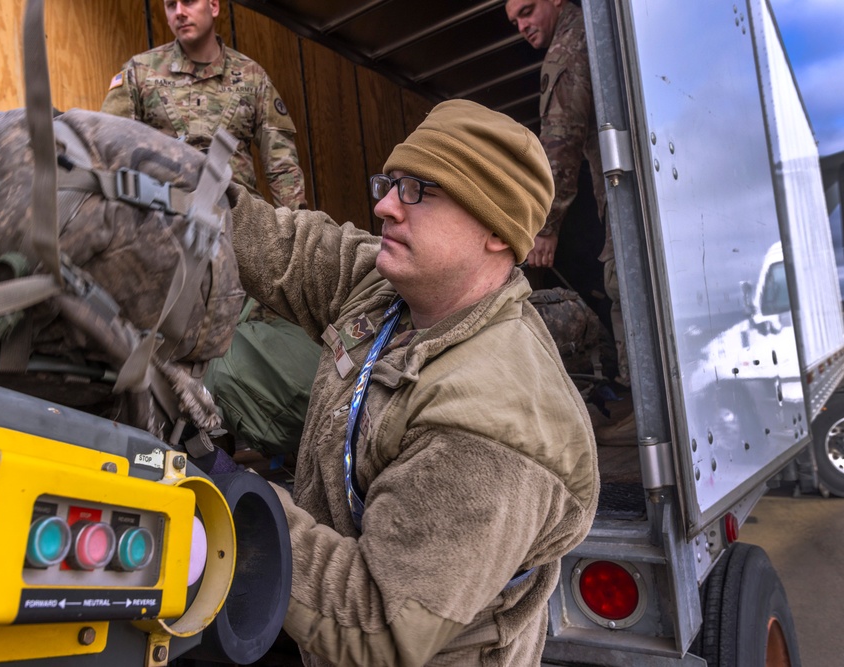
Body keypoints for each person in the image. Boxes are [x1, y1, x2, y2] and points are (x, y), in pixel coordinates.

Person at [223, 99, 598, 665]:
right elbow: (288, 250)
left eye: (419, 191)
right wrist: (179, 189)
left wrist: (228, 501)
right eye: (391, 183)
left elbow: (376, 626)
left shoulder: (494, 426)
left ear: (496, 230)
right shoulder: (396, 291)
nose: (384, 207)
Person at [505, 0, 630, 387]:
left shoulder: (568, 46)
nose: (522, 26)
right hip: (623, 190)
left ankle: (643, 402)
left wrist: (545, 226)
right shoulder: (588, 34)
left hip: (626, 194)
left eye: (527, 11)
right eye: (515, 21)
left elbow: (560, 142)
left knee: (624, 284)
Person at [101, 0, 306, 209]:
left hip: (240, 219)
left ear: (214, 6)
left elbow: (282, 166)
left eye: (189, 2)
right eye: (171, 5)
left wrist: (296, 231)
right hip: (164, 217)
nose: (179, 12)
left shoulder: (253, 77)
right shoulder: (139, 72)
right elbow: (110, 151)